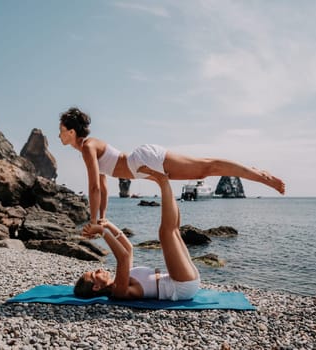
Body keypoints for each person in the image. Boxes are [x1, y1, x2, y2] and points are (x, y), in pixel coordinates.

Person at [59, 107, 286, 224]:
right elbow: (103, 185)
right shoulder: (88, 148)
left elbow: (94, 189)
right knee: (206, 168)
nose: (59, 135)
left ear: (72, 131)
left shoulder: (88, 147)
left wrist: (93, 222)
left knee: (206, 166)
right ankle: (258, 174)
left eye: (61, 130)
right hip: (142, 168)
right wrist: (102, 217)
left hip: (143, 162)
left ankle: (260, 175)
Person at [74, 173, 200, 300]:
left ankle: (164, 181)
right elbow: (123, 257)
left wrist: (109, 226)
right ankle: (163, 181)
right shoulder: (118, 290)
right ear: (96, 287)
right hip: (180, 287)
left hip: (182, 280)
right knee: (166, 233)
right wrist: (102, 232)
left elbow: (128, 249)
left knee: (174, 231)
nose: (99, 269)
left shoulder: (120, 278)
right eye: (95, 274)